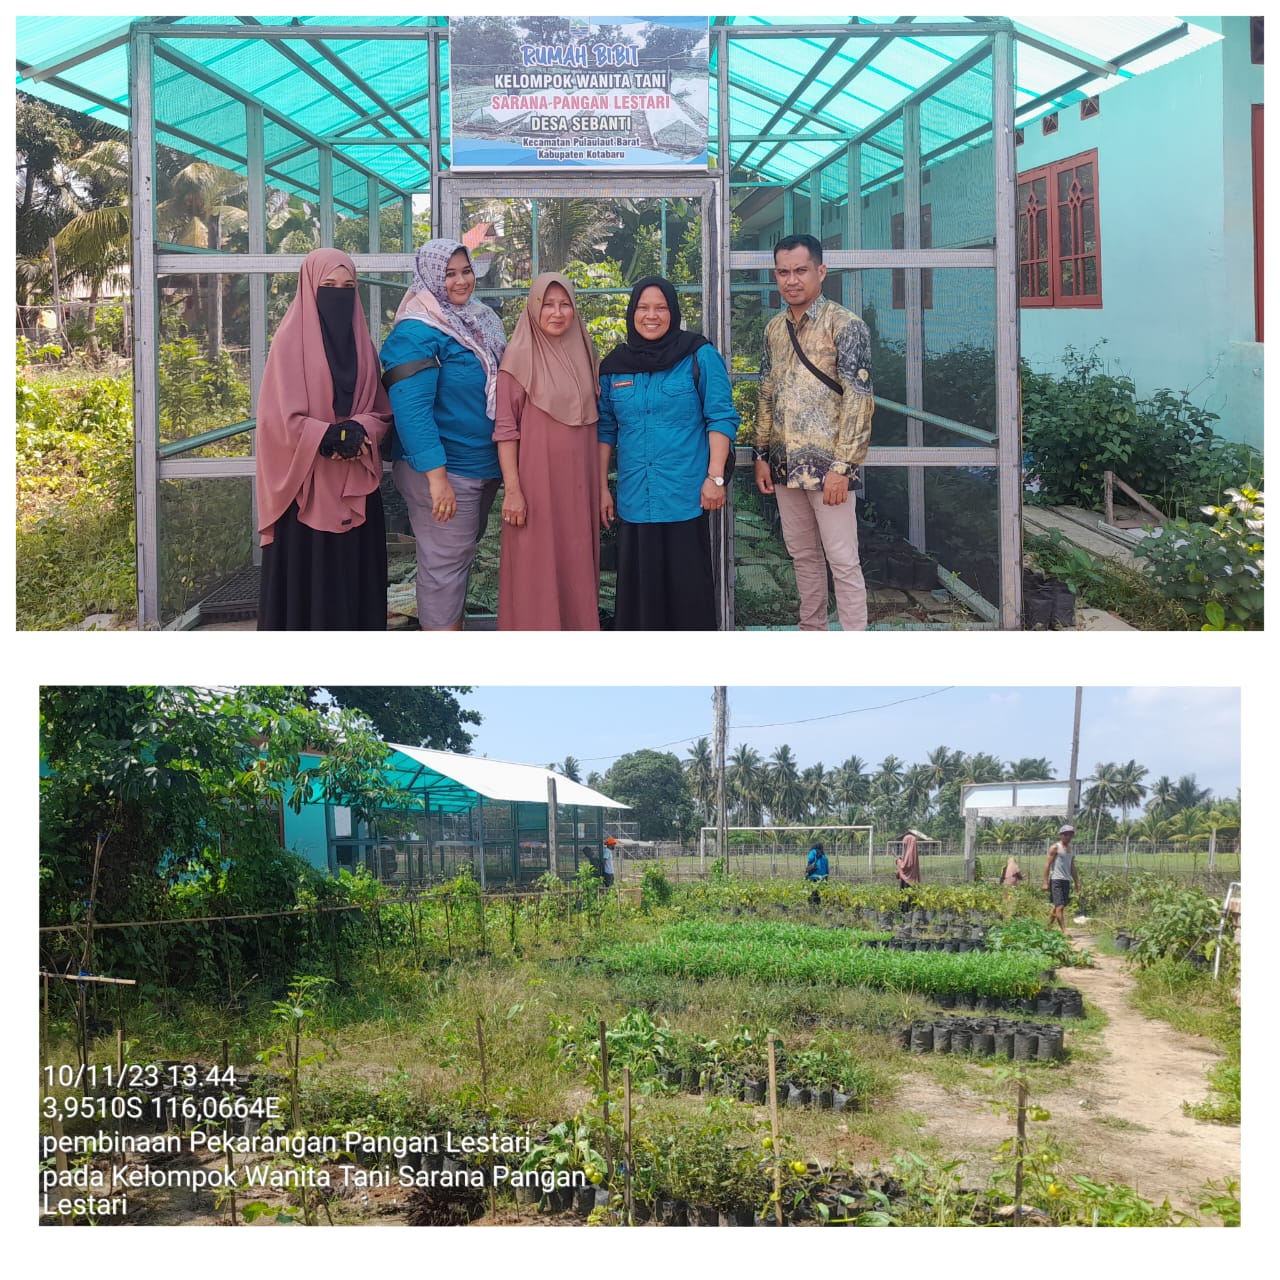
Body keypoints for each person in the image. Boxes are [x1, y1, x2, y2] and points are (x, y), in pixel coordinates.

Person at [256, 247, 393, 630]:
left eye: (349, 286)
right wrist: (325, 437)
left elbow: (382, 410)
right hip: (307, 494)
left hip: (356, 489)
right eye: (328, 285)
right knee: (308, 589)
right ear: (309, 288)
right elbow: (276, 420)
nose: (339, 293)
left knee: (355, 586)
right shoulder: (288, 344)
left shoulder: (363, 345)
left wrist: (361, 428)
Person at [598, 277, 739, 630]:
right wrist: (602, 487)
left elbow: (720, 416)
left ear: (673, 312)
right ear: (632, 313)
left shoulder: (698, 355)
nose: (651, 316)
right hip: (635, 499)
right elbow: (605, 430)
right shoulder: (614, 365)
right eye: (643, 308)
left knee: (687, 600)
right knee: (639, 606)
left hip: (685, 498)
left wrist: (715, 477)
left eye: (660, 307)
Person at [381, 239, 508, 630]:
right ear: (430, 277)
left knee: (456, 562)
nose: (460, 281)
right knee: (444, 571)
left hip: (479, 466)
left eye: (466, 271)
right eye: (449, 274)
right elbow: (411, 410)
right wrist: (437, 480)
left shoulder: (477, 318)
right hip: (445, 473)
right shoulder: (417, 331)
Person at [754, 233, 874, 631]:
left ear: (821, 272)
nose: (792, 280)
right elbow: (766, 391)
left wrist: (844, 466)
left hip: (831, 471)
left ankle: (854, 644)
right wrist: (761, 455)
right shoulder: (774, 329)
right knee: (802, 555)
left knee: (842, 559)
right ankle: (812, 632)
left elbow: (859, 398)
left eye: (801, 270)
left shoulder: (845, 325)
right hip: (786, 467)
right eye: (783, 272)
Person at [494, 272, 602, 630]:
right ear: (533, 308)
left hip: (579, 488)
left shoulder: (587, 353)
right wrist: (513, 491)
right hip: (536, 489)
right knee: (535, 569)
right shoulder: (517, 359)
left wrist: (601, 489)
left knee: (576, 565)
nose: (557, 313)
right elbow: (506, 430)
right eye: (547, 305)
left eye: (565, 304)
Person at [1045, 824, 1081, 932]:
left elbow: (1072, 867)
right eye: (1065, 834)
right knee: (1060, 906)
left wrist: (1077, 882)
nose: (1068, 837)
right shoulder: (1055, 847)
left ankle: (1047, 929)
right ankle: (1064, 931)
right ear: (1061, 835)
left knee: (1058, 907)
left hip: (1066, 880)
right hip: (1056, 880)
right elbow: (1047, 865)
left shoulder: (1070, 849)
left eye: (1070, 835)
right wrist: (1045, 882)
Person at [895, 832, 921, 910]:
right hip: (912, 879)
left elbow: (904, 866)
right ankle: (911, 912)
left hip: (907, 879)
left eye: (905, 844)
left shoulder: (909, 852)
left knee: (906, 897)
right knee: (911, 897)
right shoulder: (913, 852)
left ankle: (905, 913)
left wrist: (898, 861)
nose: (904, 846)